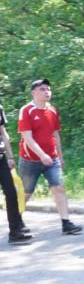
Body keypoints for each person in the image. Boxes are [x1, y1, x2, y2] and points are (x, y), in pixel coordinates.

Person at [18, 79, 82, 235]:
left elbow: (55, 135)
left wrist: (60, 156)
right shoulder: (27, 110)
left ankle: (66, 223)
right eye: (42, 89)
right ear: (33, 92)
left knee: (58, 188)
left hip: (52, 159)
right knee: (26, 192)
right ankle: (16, 221)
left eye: (48, 89)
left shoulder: (52, 110)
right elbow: (27, 138)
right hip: (30, 160)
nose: (47, 92)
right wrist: (42, 155)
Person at [0, 104, 32, 244]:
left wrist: (10, 157)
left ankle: (15, 231)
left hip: (1, 158)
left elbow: (3, 133)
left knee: (11, 192)